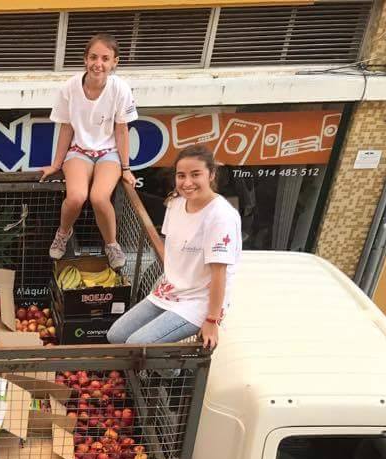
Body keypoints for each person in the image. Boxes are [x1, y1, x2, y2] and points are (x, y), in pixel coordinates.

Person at [106, 146, 241, 349]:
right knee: (116, 335)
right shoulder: (175, 203)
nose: (187, 182)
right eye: (181, 175)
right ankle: (158, 365)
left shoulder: (220, 217)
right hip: (170, 291)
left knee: (136, 345)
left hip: (198, 303)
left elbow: (220, 274)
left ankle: (164, 368)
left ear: (211, 174)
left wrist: (212, 320)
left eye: (196, 174)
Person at [39, 33, 138, 270]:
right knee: (76, 197)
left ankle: (112, 244)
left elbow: (122, 130)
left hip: (108, 153)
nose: (98, 64)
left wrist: (126, 168)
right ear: (85, 59)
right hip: (79, 151)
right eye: (93, 57)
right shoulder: (70, 87)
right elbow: (66, 128)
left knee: (99, 197)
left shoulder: (120, 89)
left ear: (114, 62)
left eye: (105, 58)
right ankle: (63, 233)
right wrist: (56, 164)